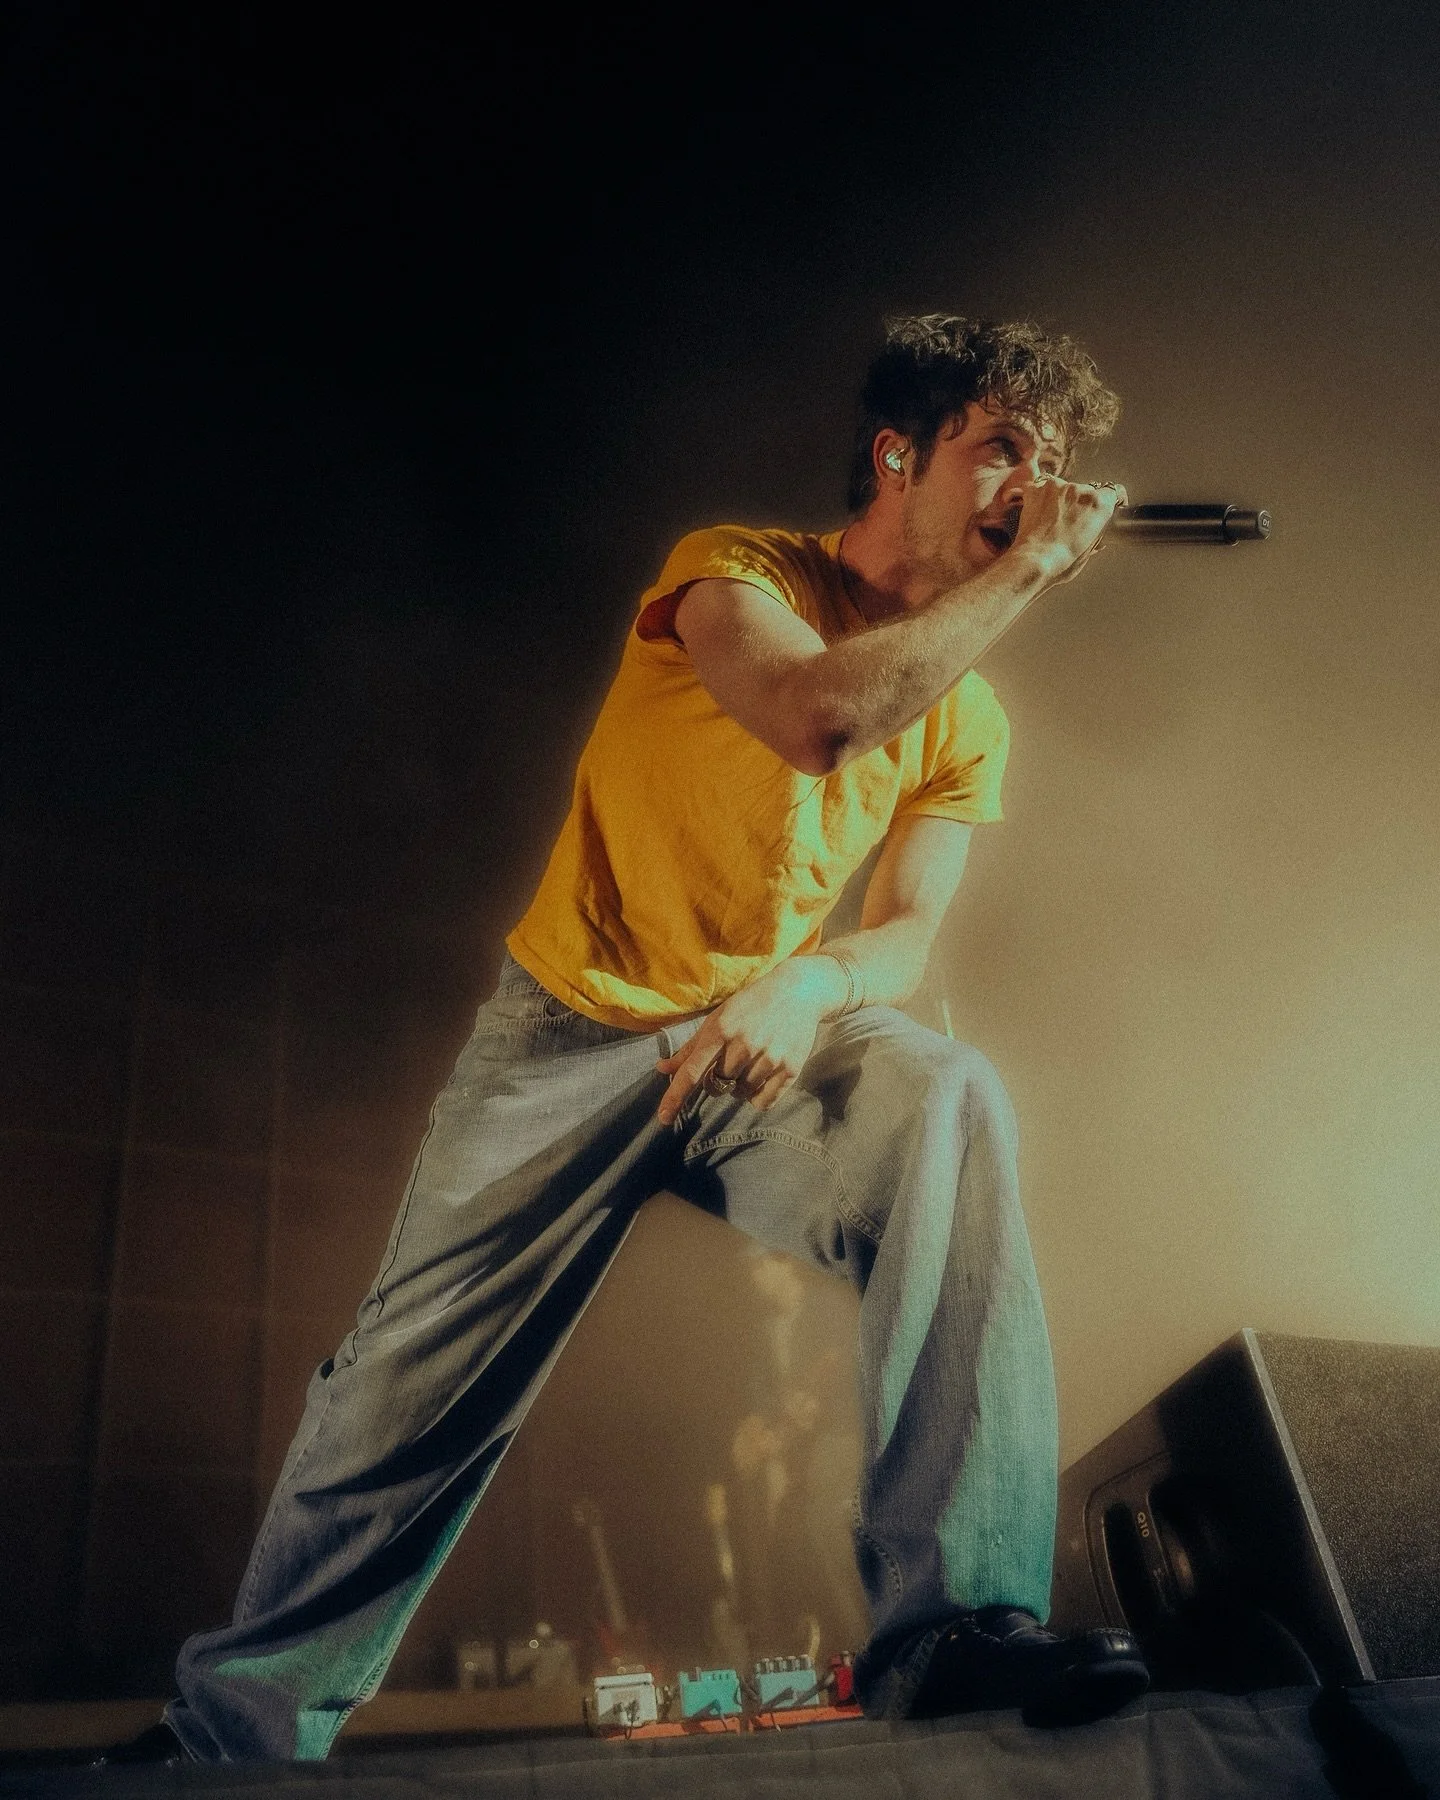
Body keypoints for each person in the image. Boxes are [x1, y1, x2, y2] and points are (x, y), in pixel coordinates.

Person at [109, 314, 1150, 1763]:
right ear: (899, 456)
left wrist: (810, 988)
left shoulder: (969, 717)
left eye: (1051, 469)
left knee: (949, 1097)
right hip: (561, 1042)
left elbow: (907, 932)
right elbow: (816, 718)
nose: (1029, 491)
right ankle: (233, 1732)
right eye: (1002, 454)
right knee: (395, 1399)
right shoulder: (730, 572)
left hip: (742, 1051)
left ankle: (958, 1626)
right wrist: (1035, 566)